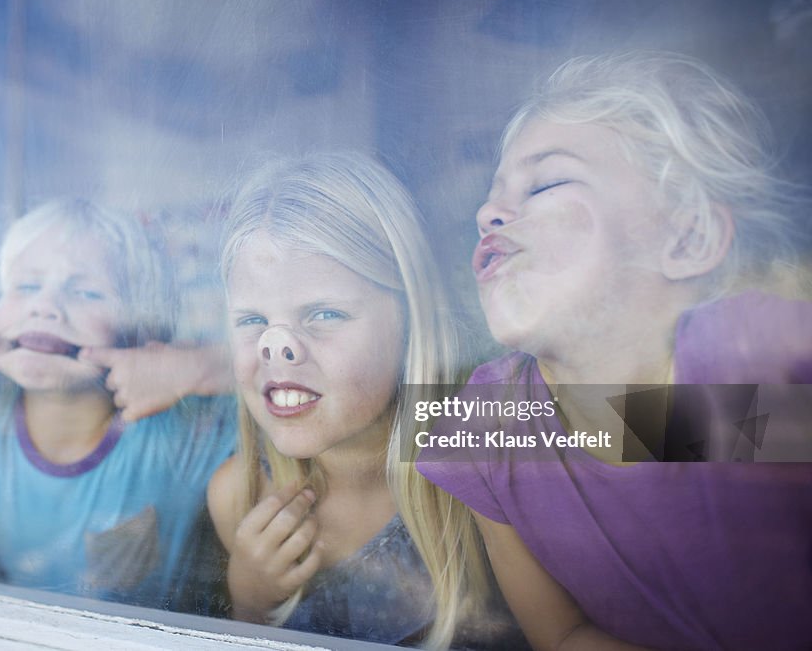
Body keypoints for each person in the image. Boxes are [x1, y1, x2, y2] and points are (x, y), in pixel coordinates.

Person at [418, 50, 812, 650]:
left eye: (546, 182)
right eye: (491, 199)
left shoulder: (750, 355)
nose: (487, 214)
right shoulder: (492, 424)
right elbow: (563, 634)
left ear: (689, 237)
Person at [206, 154, 526, 649]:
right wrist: (250, 603)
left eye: (325, 312)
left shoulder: (485, 439)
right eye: (251, 321)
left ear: (412, 319)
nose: (277, 346)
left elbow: (681, 425)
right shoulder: (240, 497)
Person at [0, 198, 235, 612]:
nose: (45, 306)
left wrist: (195, 368)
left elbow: (303, 378)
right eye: (25, 287)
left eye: (87, 292)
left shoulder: (181, 432)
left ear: (142, 332)